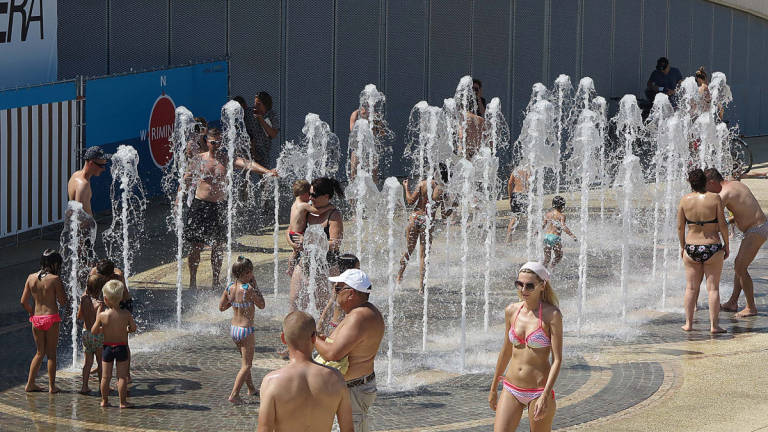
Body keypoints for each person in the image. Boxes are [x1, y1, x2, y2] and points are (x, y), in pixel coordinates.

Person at [182, 127, 277, 290]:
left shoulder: (227, 159)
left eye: (219, 142)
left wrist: (267, 171)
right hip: (200, 205)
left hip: (219, 206)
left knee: (218, 246)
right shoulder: (198, 159)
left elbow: (248, 164)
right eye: (213, 142)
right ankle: (192, 281)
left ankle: (215, 280)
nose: (216, 145)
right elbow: (186, 178)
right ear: (207, 141)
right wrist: (183, 188)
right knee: (196, 246)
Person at [489, 262, 563, 432]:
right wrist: (493, 388)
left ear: (542, 285)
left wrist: (545, 395)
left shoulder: (552, 315)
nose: (523, 290)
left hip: (538, 391)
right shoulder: (511, 310)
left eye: (529, 285)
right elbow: (506, 351)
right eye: (519, 284)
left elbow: (557, 360)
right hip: (511, 388)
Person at [258, 311, 353, 432]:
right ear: (314, 338)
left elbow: (264, 429)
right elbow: (348, 429)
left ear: (283, 338)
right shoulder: (336, 378)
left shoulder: (271, 382)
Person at [315, 269, 384, 432]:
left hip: (352, 391)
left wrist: (311, 337)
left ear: (351, 293)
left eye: (338, 289)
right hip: (353, 388)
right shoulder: (363, 312)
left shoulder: (359, 316)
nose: (334, 293)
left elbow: (333, 354)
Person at [705, 168, 767, 317]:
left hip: (756, 230)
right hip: (759, 227)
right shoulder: (735, 184)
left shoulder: (723, 194)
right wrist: (729, 220)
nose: (706, 190)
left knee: (740, 266)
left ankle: (751, 307)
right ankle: (733, 302)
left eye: (706, 186)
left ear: (712, 182)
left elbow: (714, 219)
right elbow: (743, 210)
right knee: (740, 266)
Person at [677, 169, 729, 333]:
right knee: (713, 288)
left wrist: (682, 246)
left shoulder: (685, 200)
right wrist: (726, 245)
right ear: (705, 182)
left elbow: (680, 227)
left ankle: (688, 324)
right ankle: (714, 326)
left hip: (691, 247)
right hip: (712, 246)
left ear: (690, 183)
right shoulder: (715, 198)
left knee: (691, 288)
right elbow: (722, 225)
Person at [289, 177, 344, 316]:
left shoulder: (334, 215)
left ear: (326, 196)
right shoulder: (307, 211)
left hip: (326, 266)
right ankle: (293, 335)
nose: (310, 198)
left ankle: (320, 336)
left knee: (323, 308)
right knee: (294, 303)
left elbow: (336, 244)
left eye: (314, 195)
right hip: (304, 263)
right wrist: (293, 243)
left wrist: (309, 241)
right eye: (309, 194)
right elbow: (290, 230)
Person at [396, 169, 453, 293]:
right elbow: (444, 215)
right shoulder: (443, 191)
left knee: (408, 250)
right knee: (423, 256)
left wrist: (405, 187)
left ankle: (399, 276)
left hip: (415, 218)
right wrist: (453, 207)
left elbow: (410, 201)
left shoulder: (422, 184)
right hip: (427, 222)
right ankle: (421, 287)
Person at [219, 256, 266, 404]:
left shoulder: (229, 288)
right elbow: (262, 305)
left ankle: (251, 388)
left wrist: (233, 303)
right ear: (246, 273)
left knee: (245, 361)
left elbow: (221, 307)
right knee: (247, 365)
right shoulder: (249, 290)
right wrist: (256, 286)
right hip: (246, 329)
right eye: (251, 272)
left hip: (234, 329)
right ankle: (234, 394)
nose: (252, 275)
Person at [20, 249, 67, 393]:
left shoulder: (31, 277)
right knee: (51, 354)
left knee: (39, 353)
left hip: (37, 319)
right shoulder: (54, 279)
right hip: (51, 318)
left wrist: (31, 312)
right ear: (54, 264)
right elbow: (63, 301)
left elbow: (23, 301)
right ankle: (52, 387)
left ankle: (30, 384)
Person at [92, 280, 137, 408]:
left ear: (105, 299)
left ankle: (104, 401)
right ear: (122, 297)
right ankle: (122, 402)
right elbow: (133, 328)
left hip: (107, 348)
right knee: (122, 377)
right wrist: (127, 329)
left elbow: (94, 331)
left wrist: (102, 327)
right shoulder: (126, 314)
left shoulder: (102, 315)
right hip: (121, 347)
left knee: (105, 377)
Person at [286, 179, 332, 277]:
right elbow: (317, 211)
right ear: (303, 194)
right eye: (309, 194)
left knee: (295, 252)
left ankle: (290, 268)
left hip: (292, 232)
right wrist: (329, 208)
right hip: (297, 234)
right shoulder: (303, 205)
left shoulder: (294, 204)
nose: (310, 198)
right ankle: (298, 272)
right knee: (302, 252)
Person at [78, 274, 107, 394]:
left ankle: (84, 386)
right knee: (100, 362)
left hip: (85, 333)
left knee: (87, 362)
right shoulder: (100, 304)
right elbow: (99, 321)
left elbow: (79, 316)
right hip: (97, 336)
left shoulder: (84, 299)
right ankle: (101, 386)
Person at [68, 146, 110, 217]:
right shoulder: (83, 185)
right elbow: (81, 218)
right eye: (101, 166)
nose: (103, 169)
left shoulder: (75, 175)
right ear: (91, 163)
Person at [541, 196, 577, 269]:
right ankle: (551, 268)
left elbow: (542, 225)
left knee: (547, 259)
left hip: (547, 237)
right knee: (559, 256)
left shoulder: (548, 214)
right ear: (563, 206)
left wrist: (536, 232)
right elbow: (563, 227)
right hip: (555, 238)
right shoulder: (561, 216)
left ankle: (541, 272)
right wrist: (572, 235)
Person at [506, 165, 531, 243]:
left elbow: (510, 183)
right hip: (524, 195)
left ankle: (509, 240)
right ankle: (531, 238)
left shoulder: (515, 171)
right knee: (528, 217)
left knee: (514, 217)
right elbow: (529, 183)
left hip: (515, 194)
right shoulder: (527, 171)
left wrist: (510, 196)